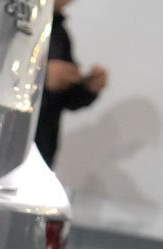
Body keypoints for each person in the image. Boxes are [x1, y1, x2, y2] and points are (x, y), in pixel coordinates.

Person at [35, 0, 108, 168]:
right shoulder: (12, 18)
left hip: (41, 145)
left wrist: (88, 87)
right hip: (4, 133)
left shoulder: (60, 33)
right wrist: (41, 75)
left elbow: (64, 97)